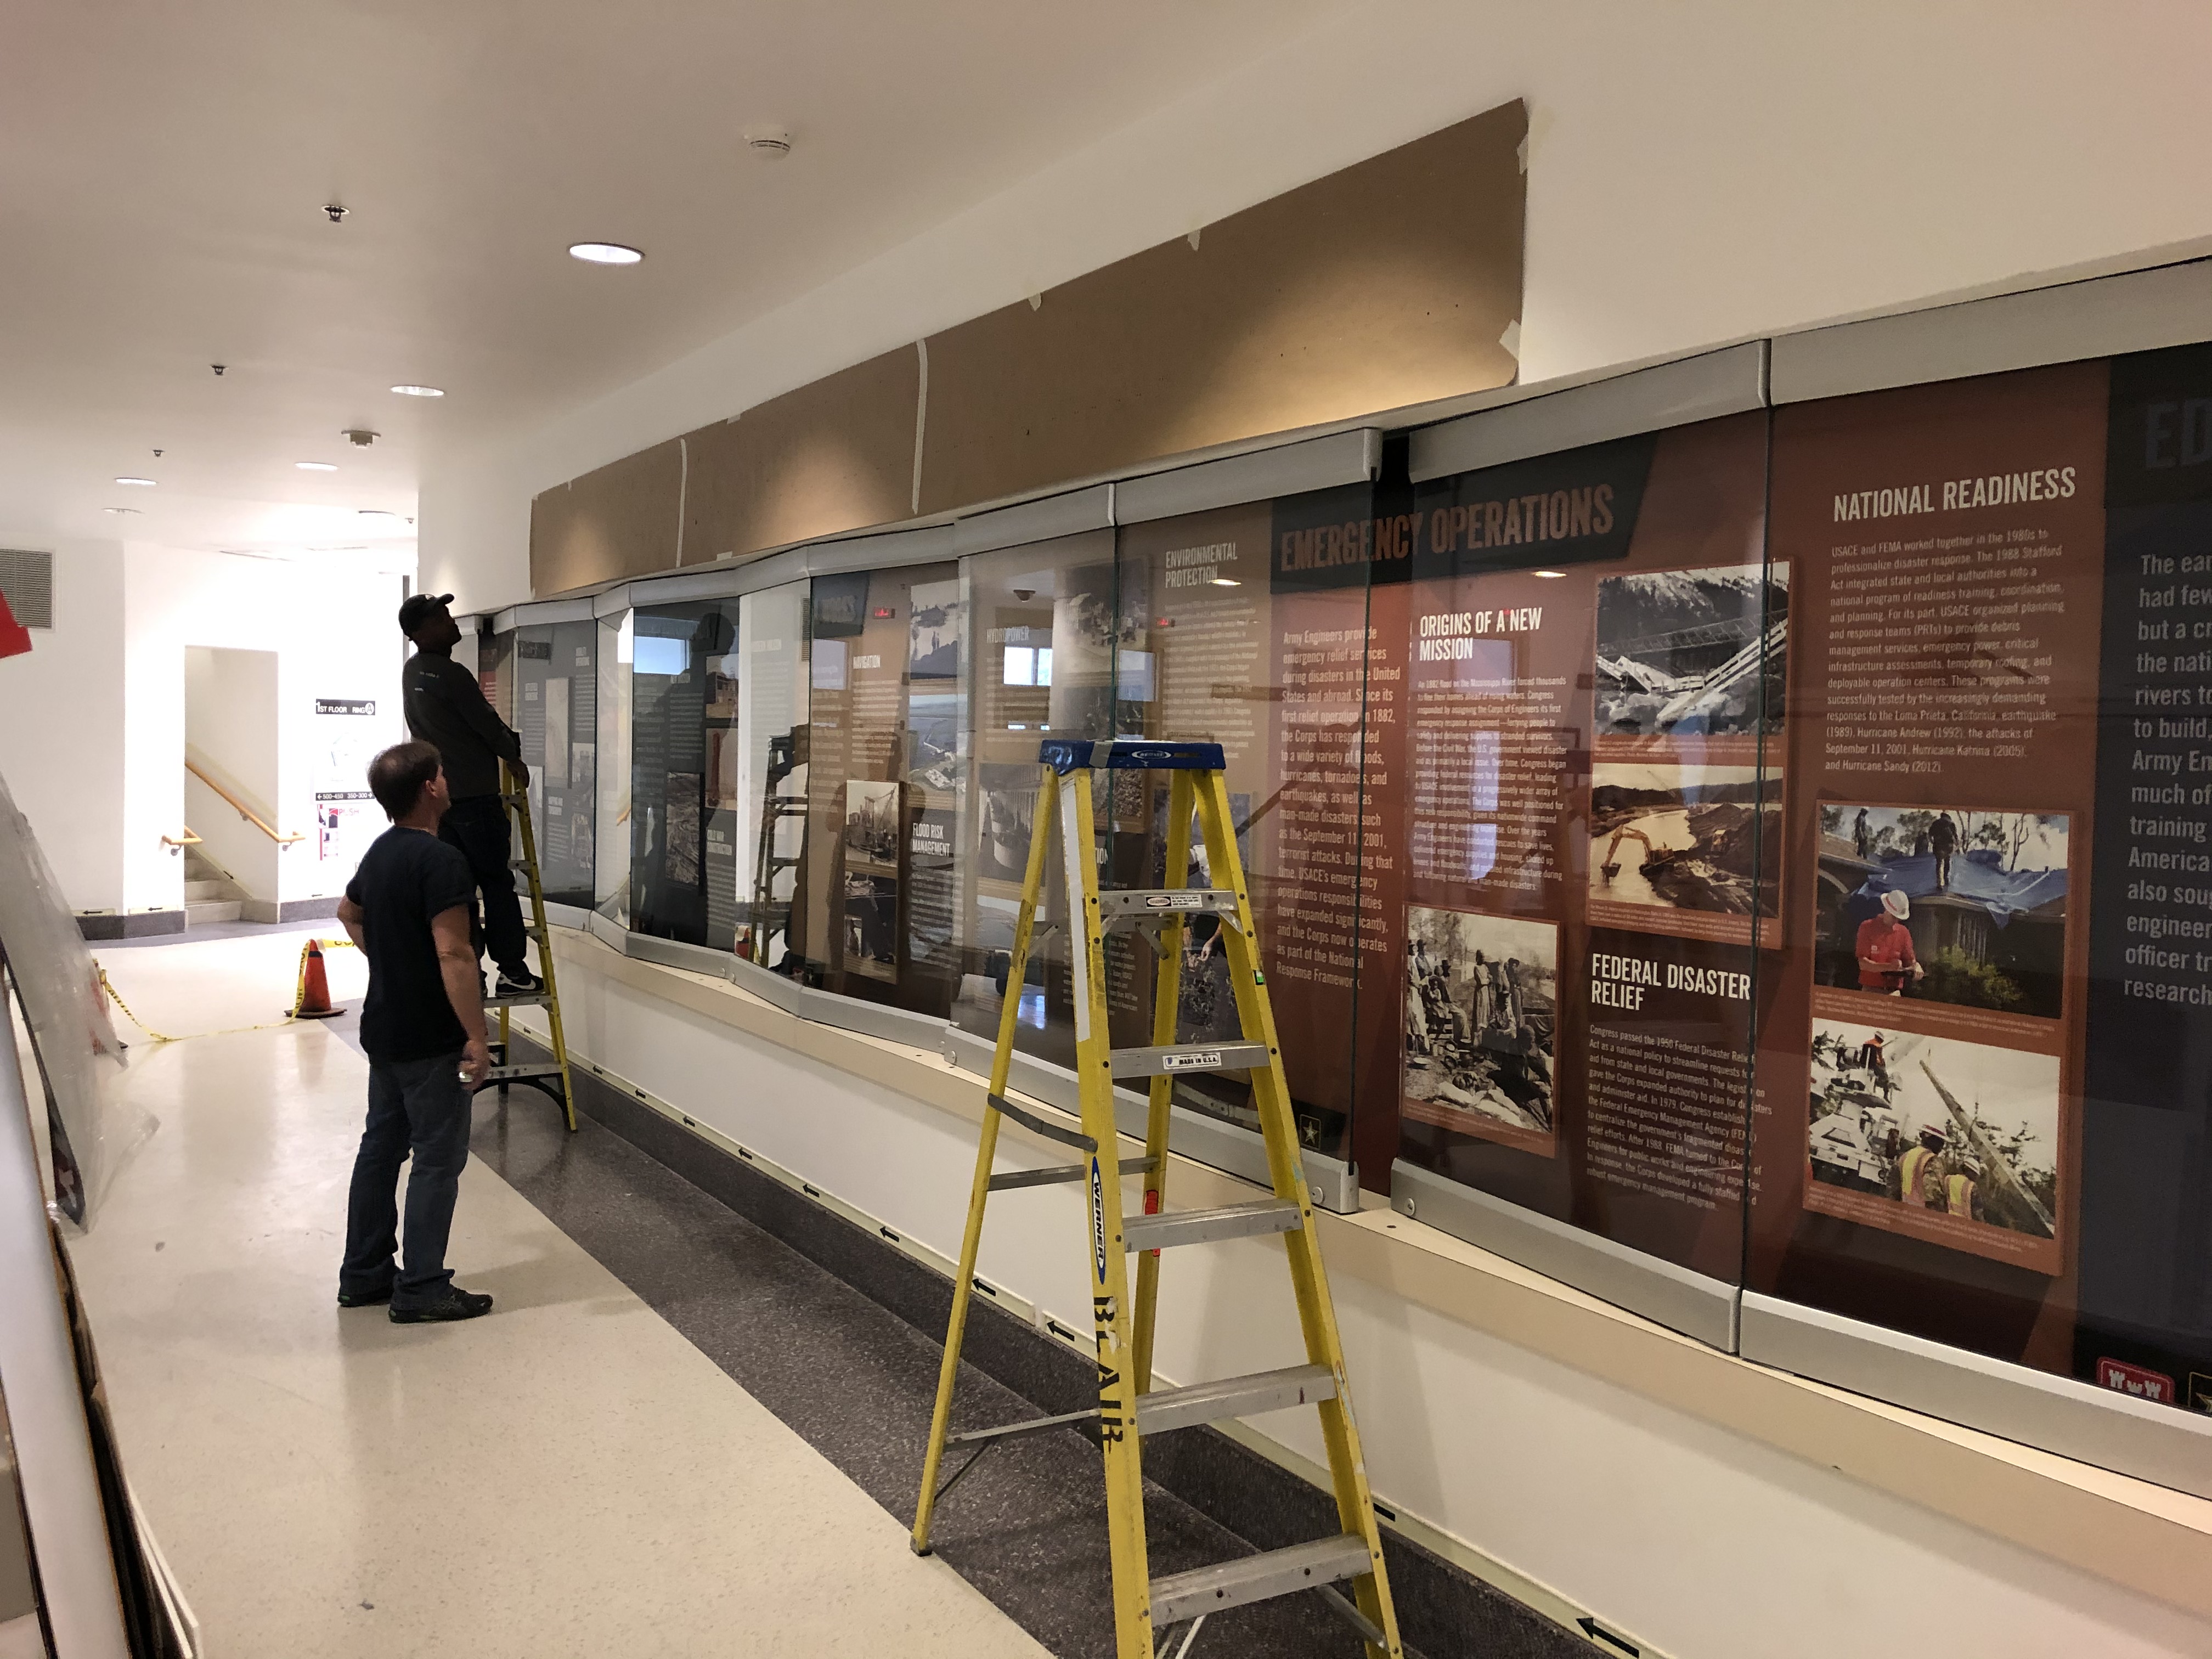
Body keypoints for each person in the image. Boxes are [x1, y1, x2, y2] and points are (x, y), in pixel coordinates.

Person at [335, 741, 495, 1324]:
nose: (448, 780)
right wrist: (476, 1036)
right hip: (433, 1038)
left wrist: (392, 960)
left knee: (380, 1150)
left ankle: (364, 1276)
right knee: (436, 1158)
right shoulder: (442, 861)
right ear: (430, 787)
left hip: (385, 1029)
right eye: (444, 772)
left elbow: (347, 913)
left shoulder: (380, 853)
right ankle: (423, 1285)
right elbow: (454, 952)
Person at [397, 593, 542, 997]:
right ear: (420, 632)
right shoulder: (450, 674)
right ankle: (513, 971)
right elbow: (486, 722)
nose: (451, 621)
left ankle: (470, 974)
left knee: (460, 892)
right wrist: (513, 757)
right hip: (476, 797)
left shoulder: (413, 673)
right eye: (441, 617)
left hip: (441, 802)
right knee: (496, 883)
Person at [1855, 889, 1922, 994]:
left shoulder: (1903, 932)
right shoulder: (1867, 927)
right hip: (1870, 991)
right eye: (1894, 916)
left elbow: (1910, 961)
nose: (1896, 921)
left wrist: (1916, 967)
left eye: (1899, 918)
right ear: (1886, 909)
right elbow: (1863, 964)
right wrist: (1889, 967)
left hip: (1894, 992)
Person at [1929, 811, 1959, 889]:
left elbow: (1930, 835)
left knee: (1939, 864)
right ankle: (1946, 878)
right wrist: (1957, 846)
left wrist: (1932, 842)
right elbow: (1955, 836)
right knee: (1947, 861)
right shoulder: (1951, 823)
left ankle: (1940, 883)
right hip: (1948, 846)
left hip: (1938, 845)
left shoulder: (1936, 823)